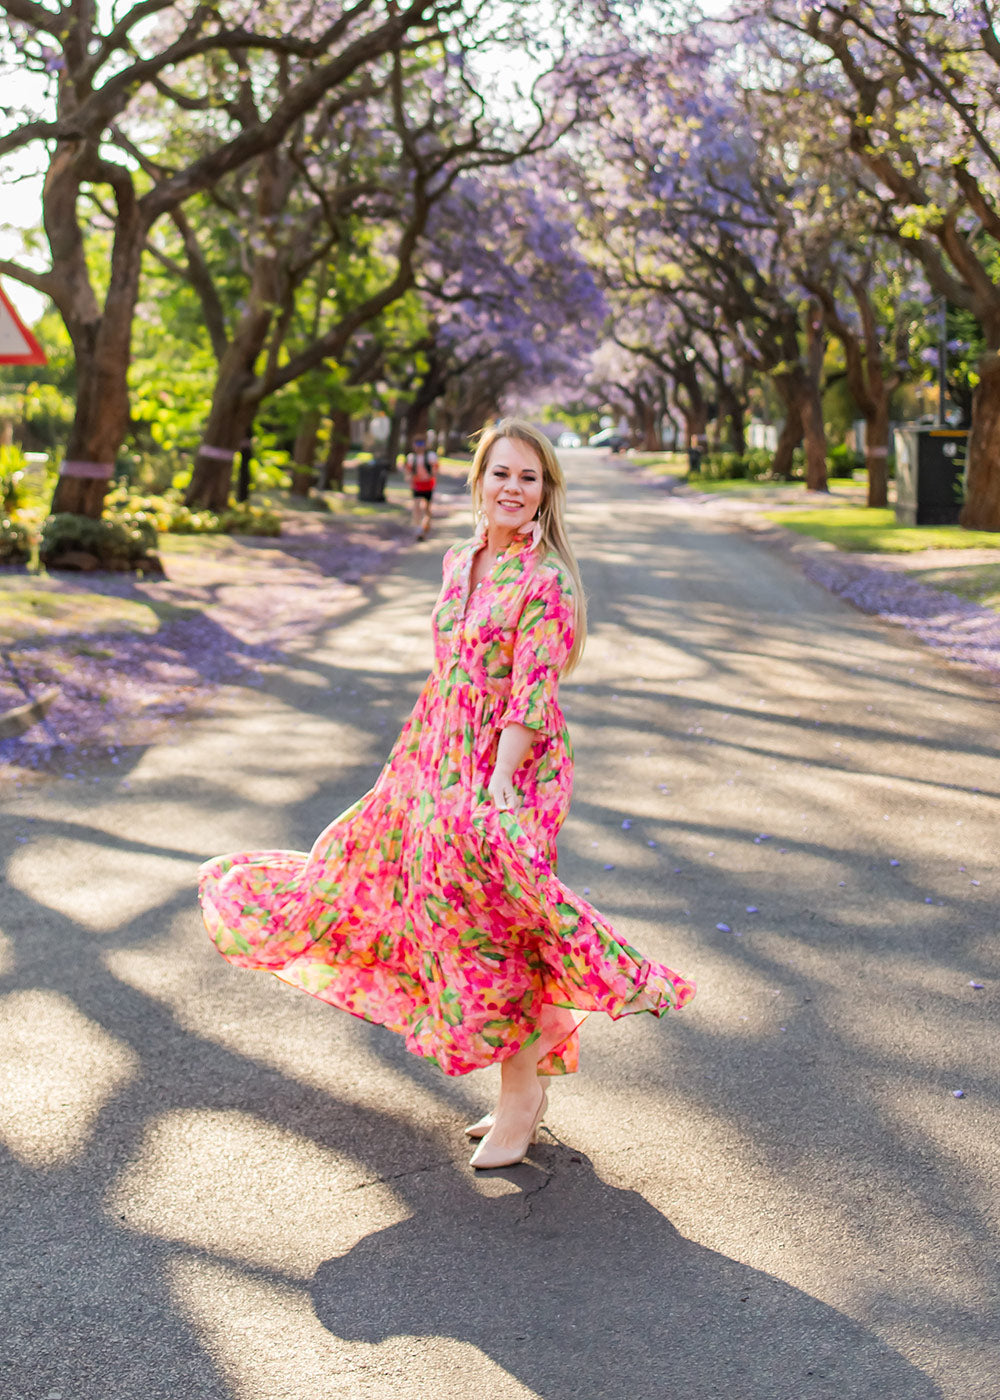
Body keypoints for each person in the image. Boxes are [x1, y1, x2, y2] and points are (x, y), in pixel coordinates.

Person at [198, 417, 695, 1169]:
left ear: (546, 492)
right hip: (435, 754)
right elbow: (449, 673)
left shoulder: (546, 581)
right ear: (479, 481)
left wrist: (495, 788)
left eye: (529, 478)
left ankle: (520, 1094)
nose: (513, 489)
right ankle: (520, 1082)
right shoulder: (459, 562)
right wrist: (417, 767)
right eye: (501, 473)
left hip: (510, 769)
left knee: (492, 923)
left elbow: (530, 700)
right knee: (391, 888)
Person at [404, 433, 438, 540]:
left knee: (427, 507)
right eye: (417, 444)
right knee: (416, 506)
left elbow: (435, 469)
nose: (419, 446)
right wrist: (409, 477)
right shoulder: (411, 458)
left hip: (428, 485)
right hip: (417, 485)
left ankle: (426, 524)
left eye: (421, 444)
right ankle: (418, 528)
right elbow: (408, 471)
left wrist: (431, 475)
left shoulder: (431, 456)